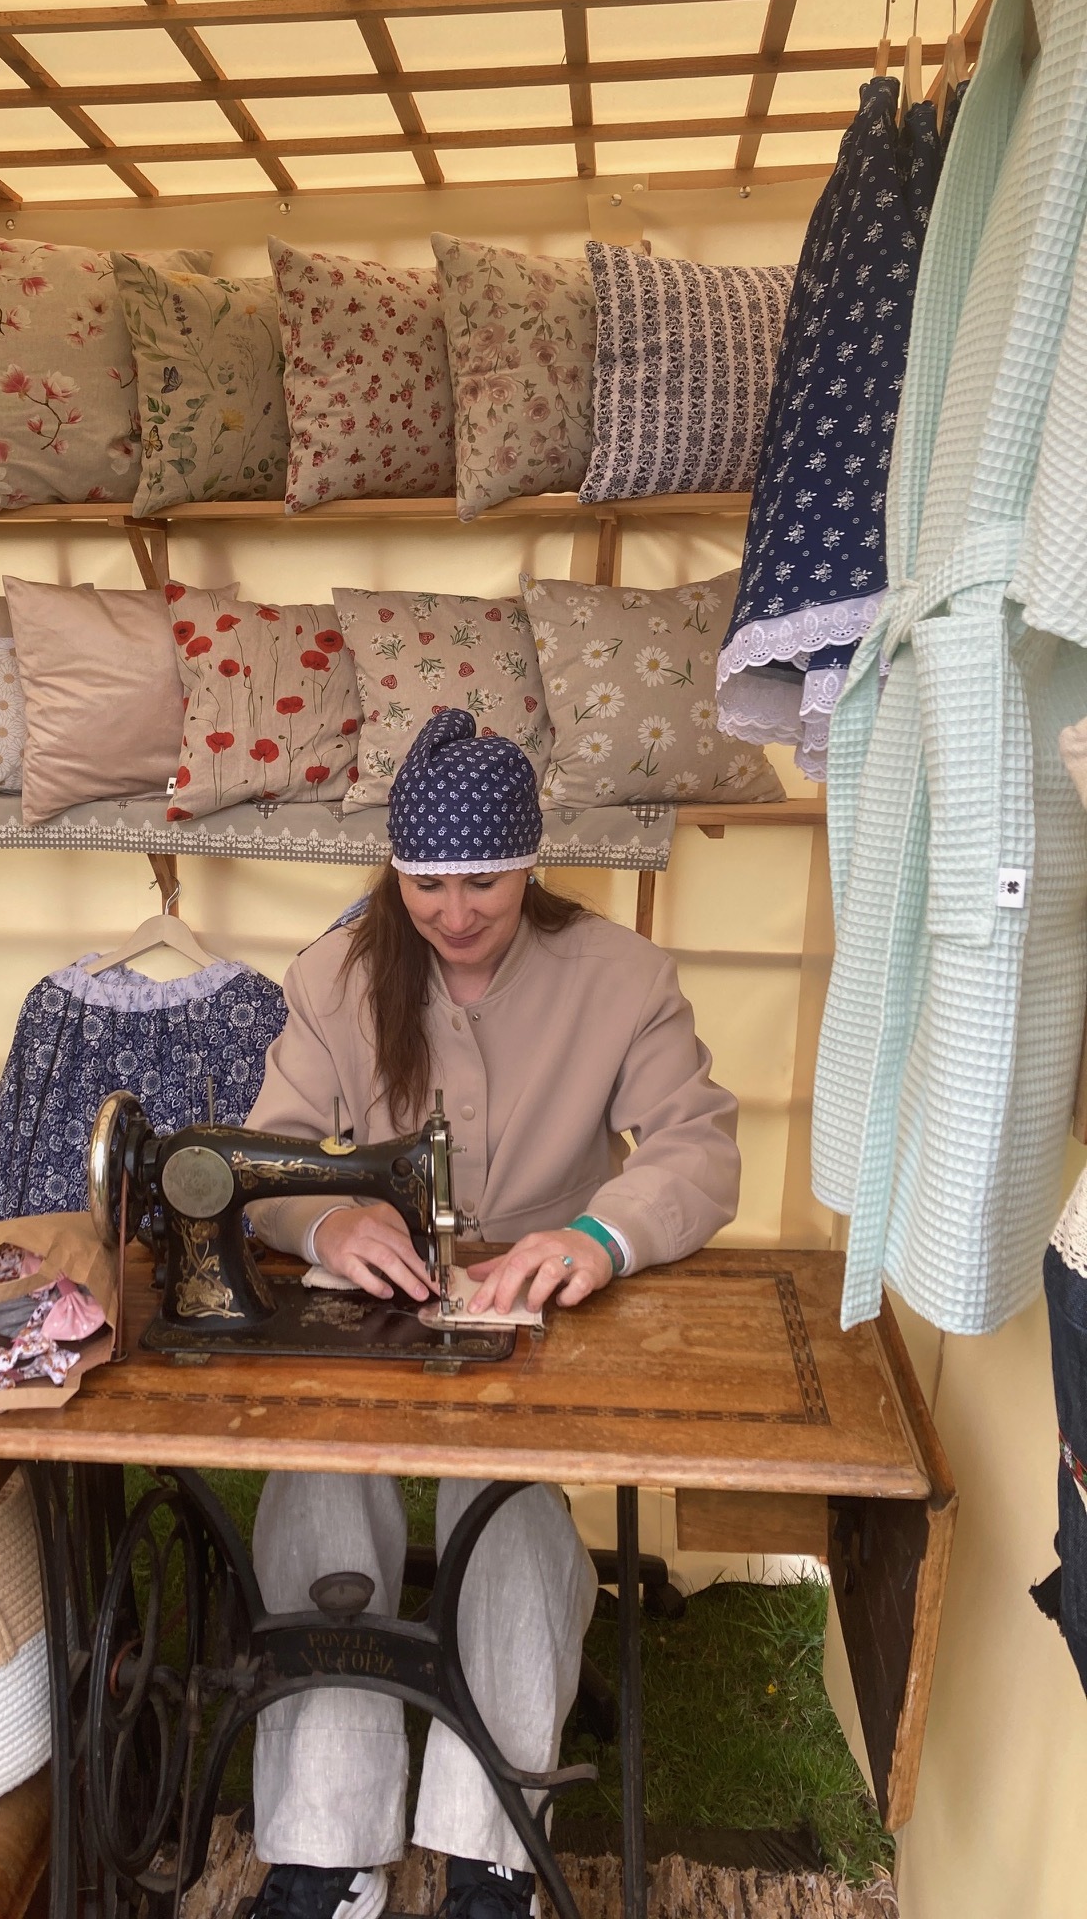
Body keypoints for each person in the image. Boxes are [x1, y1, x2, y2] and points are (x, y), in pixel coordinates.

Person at [242, 708, 741, 1919]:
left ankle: (491, 1855)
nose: (454, 912)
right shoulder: (335, 978)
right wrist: (327, 1222)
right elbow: (268, 1157)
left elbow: (697, 1146)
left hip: (547, 1309)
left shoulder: (623, 978)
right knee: (316, 1484)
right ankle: (326, 1854)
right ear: (394, 869)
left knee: (505, 1511)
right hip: (375, 1305)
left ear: (531, 862)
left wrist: (598, 1238)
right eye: (426, 883)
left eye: (484, 882)